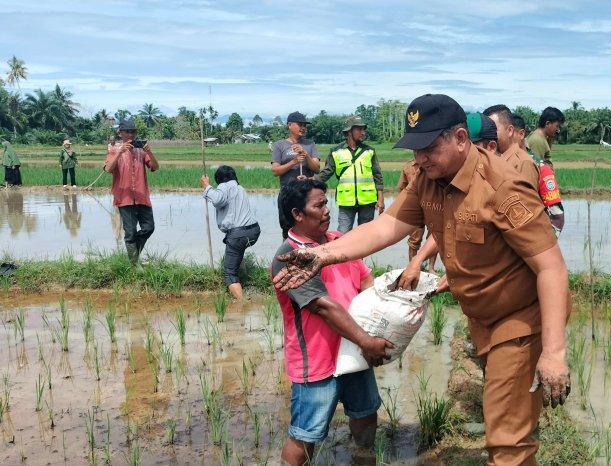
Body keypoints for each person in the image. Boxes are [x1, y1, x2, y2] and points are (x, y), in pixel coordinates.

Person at [273, 94, 571, 465]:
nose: (420, 158)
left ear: (460, 138)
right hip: (482, 319)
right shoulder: (428, 180)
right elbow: (386, 226)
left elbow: (551, 268)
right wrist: (322, 255)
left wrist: (553, 353)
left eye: (429, 148)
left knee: (508, 443)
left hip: (519, 321)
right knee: (504, 424)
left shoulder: (503, 187)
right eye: (415, 149)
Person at [271, 178, 392, 465]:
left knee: (365, 413)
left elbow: (366, 281)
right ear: (297, 214)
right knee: (305, 435)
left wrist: (382, 321)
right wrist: (367, 340)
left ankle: (364, 457)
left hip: (354, 351)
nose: (327, 210)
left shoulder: (340, 242)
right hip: (318, 360)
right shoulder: (290, 257)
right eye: (319, 205)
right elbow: (322, 307)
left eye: (327, 203)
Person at [104, 119, 159, 267]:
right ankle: (134, 265)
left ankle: (133, 258)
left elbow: (155, 167)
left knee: (149, 227)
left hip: (142, 196)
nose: (130, 134)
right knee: (130, 232)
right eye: (127, 131)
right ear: (120, 133)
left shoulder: (141, 151)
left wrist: (149, 152)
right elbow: (108, 169)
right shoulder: (114, 149)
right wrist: (120, 152)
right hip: (124, 198)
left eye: (133, 131)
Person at [316, 116, 384, 233]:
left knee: (366, 234)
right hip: (346, 201)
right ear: (349, 131)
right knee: (342, 233)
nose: (363, 132)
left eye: (363, 129)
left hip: (368, 201)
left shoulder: (369, 151)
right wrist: (309, 180)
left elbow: (377, 175)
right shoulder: (336, 151)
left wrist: (381, 198)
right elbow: (326, 172)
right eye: (359, 129)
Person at [201, 165, 260, 300]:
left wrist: (207, 186)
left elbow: (217, 200)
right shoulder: (240, 188)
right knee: (238, 251)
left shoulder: (224, 186)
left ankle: (242, 303)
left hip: (238, 234)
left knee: (229, 274)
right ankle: (244, 278)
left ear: (220, 179)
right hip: (253, 231)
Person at [522, 111, 566, 235]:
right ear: (548, 124)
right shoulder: (537, 140)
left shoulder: (542, 138)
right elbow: (537, 169)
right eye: (557, 126)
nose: (558, 130)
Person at [483, 104, 539, 186]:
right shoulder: (494, 158)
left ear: (510, 130)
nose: (488, 134)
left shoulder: (523, 163)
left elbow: (525, 194)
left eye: (493, 129)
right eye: (486, 130)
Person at [397, 158, 437, 274]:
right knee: (414, 240)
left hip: (433, 206)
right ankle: (413, 266)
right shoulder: (408, 166)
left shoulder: (434, 164)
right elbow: (402, 187)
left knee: (434, 237)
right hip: (416, 209)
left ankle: (431, 268)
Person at [271, 112, 321, 187]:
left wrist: (306, 154)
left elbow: (317, 169)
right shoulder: (279, 145)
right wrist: (294, 162)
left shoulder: (310, 144)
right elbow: (275, 171)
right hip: (287, 190)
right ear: (289, 125)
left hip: (307, 190)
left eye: (304, 125)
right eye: (300, 125)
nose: (303, 128)